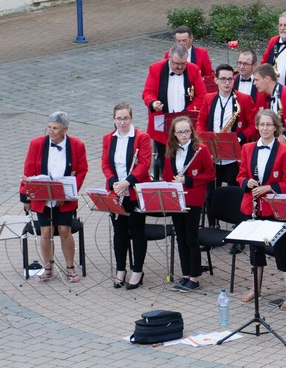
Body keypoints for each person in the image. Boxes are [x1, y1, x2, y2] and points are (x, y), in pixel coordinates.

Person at [237, 110, 286, 309]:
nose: (265, 128)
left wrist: (269, 187)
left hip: (274, 207)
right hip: (253, 206)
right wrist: (247, 183)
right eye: (261, 125)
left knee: (281, 249)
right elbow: (240, 176)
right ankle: (256, 288)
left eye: (269, 125)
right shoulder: (247, 148)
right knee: (255, 250)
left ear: (275, 127)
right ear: (256, 126)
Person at [20, 112, 89, 284]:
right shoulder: (36, 144)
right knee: (46, 231)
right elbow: (28, 171)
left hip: (65, 197)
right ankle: (48, 268)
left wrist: (67, 194)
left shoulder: (77, 145)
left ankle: (70, 268)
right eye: (49, 127)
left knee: (65, 230)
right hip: (42, 196)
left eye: (56, 128)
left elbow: (82, 170)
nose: (51, 131)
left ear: (65, 129)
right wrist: (26, 198)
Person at [100, 103, 152, 289]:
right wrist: (115, 182)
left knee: (137, 232)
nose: (122, 122)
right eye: (119, 119)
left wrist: (127, 182)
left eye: (126, 118)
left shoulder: (141, 138)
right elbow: (105, 163)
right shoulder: (108, 138)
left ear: (131, 118)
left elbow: (144, 164)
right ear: (114, 119)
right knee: (119, 232)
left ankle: (137, 270)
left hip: (134, 192)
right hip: (116, 192)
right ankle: (120, 269)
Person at [162, 116, 216, 292]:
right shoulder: (171, 150)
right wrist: (171, 183)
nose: (184, 135)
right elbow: (165, 175)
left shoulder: (201, 150)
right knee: (181, 237)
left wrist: (188, 180)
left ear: (192, 131)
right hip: (176, 199)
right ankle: (185, 274)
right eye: (180, 132)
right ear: (174, 134)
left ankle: (195, 276)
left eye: (187, 131)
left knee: (191, 238)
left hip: (192, 199)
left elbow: (210, 175)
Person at [142, 43, 208, 179]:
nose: (180, 67)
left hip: (185, 125)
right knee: (165, 163)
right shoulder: (156, 68)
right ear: (169, 59)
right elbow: (148, 92)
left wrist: (187, 113)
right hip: (162, 126)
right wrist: (153, 103)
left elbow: (202, 95)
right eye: (176, 63)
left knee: (187, 160)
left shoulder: (193, 69)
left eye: (183, 64)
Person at [198, 63, 257, 189]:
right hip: (212, 154)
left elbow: (253, 125)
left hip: (233, 156)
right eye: (223, 79)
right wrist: (204, 139)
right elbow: (201, 122)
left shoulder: (244, 99)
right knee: (211, 192)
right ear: (216, 80)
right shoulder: (208, 98)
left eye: (230, 79)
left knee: (234, 190)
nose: (227, 83)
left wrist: (239, 137)